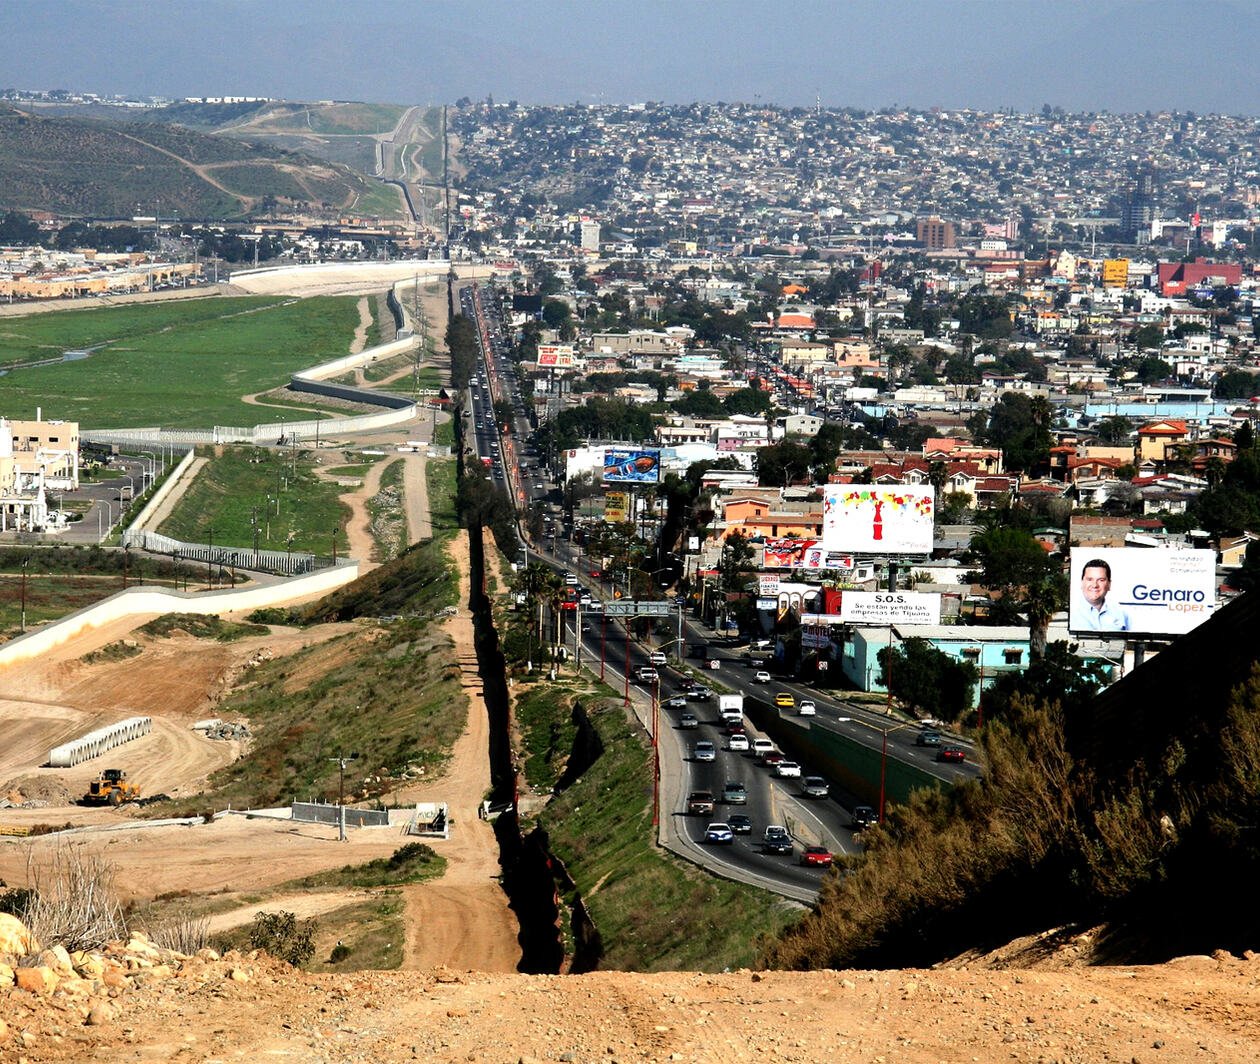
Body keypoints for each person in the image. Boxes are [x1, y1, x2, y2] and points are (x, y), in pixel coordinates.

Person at [1077, 558, 1130, 632]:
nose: (1095, 585)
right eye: (1090, 579)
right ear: (1082, 582)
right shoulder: (1072, 613)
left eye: (1101, 580)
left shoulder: (1121, 613)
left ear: (1109, 584)